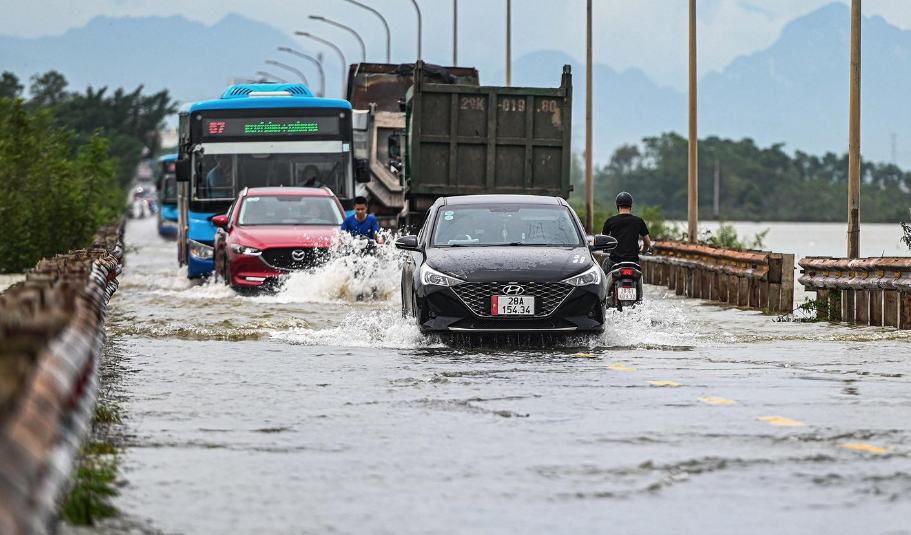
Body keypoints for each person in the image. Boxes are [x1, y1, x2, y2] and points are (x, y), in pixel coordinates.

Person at [601, 192, 651, 297]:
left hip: (615, 261)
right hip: (633, 262)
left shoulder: (611, 221)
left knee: (605, 268)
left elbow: (602, 239)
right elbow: (647, 242)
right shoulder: (639, 221)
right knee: (639, 279)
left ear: (617, 206)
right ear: (631, 206)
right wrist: (644, 250)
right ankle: (639, 295)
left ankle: (603, 297)